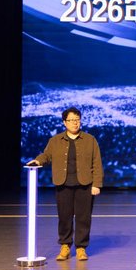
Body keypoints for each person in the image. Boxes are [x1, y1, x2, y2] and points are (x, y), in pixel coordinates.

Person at [27, 107, 103, 262]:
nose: (75, 123)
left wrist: (97, 184)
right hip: (63, 184)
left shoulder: (90, 140)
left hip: (84, 184)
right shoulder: (55, 140)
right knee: (64, 217)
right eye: (71, 120)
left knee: (83, 218)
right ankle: (65, 246)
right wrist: (38, 160)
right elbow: (46, 155)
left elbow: (97, 163)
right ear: (64, 122)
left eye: (77, 120)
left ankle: (81, 248)